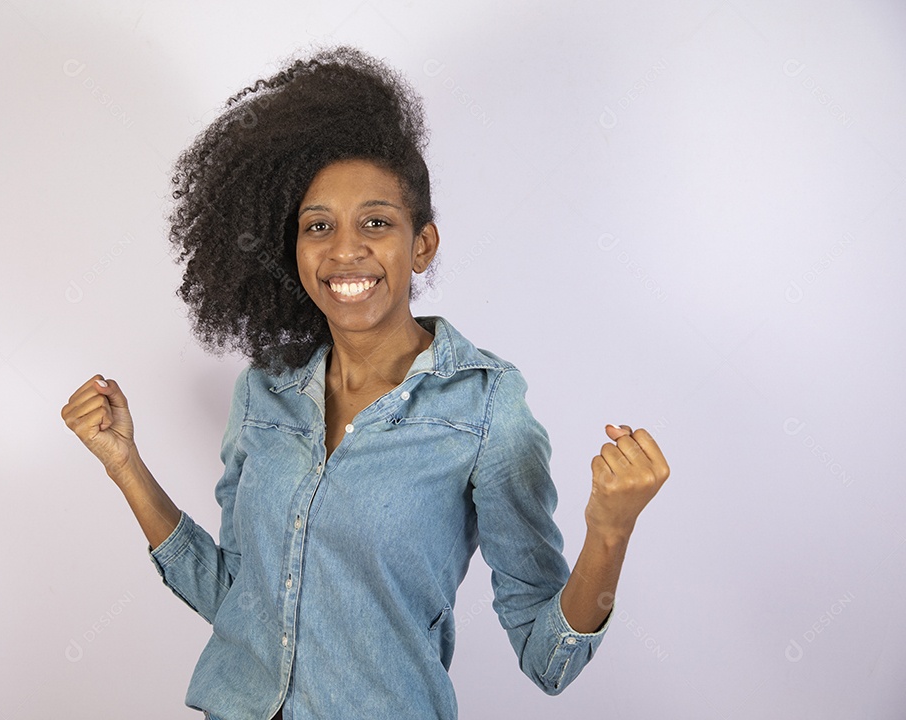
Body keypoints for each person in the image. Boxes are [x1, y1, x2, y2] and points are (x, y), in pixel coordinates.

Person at [61, 45, 670, 720]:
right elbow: (239, 596)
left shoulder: (486, 407)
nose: (344, 250)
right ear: (292, 249)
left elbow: (547, 656)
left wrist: (609, 531)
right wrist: (124, 465)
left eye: (375, 223)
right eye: (317, 226)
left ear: (423, 245)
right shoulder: (264, 393)